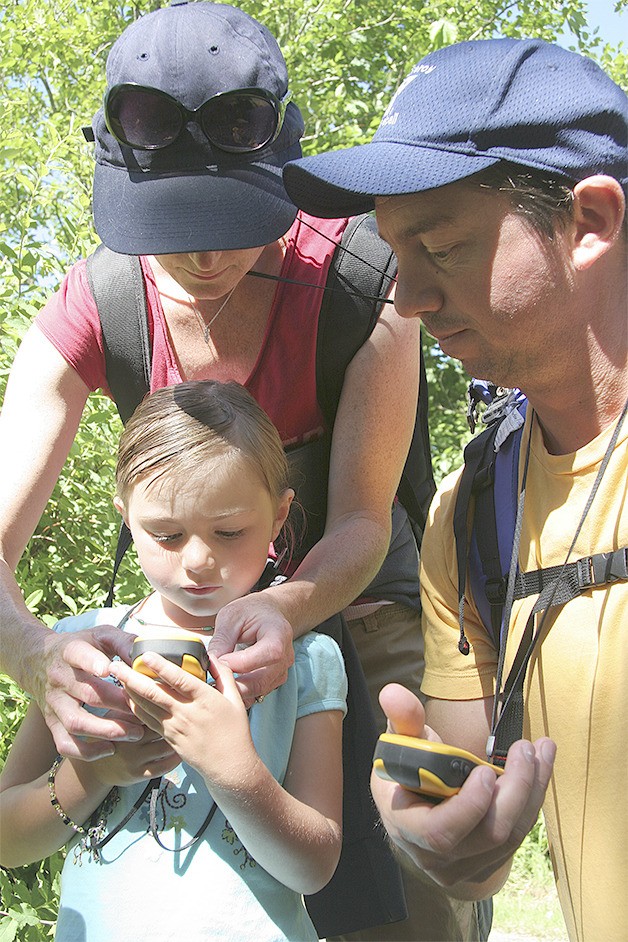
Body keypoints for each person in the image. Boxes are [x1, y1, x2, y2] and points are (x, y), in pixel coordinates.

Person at [0, 3, 468, 939]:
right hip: (198, 618)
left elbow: (360, 523)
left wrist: (289, 610)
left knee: (429, 854)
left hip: (368, 608)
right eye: (171, 226)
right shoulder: (93, 305)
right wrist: (36, 654)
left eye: (229, 221)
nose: (204, 257)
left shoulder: (364, 281)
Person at [283, 37, 628, 941]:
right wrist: (416, 821)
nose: (408, 299)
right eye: (399, 254)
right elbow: (456, 765)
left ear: (590, 220)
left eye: (441, 245)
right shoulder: (466, 514)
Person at [0, 379, 347, 942]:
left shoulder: (305, 660)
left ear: (280, 516)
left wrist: (232, 767)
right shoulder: (79, 648)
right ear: (126, 518)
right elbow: (7, 840)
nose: (199, 561)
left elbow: (315, 866)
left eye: (230, 531)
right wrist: (90, 774)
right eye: (165, 534)